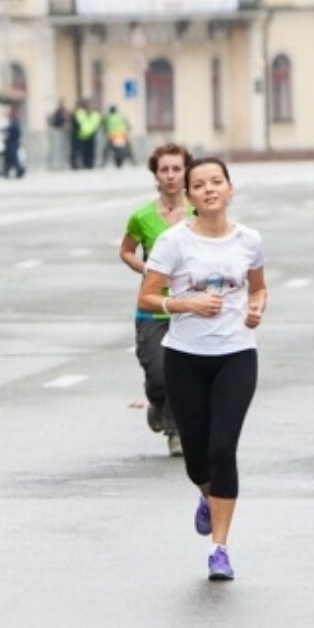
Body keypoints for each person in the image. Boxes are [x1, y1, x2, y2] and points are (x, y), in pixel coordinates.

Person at [137, 157, 267, 581]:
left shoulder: (249, 240)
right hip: (185, 357)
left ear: (230, 189)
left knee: (222, 449)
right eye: (200, 184)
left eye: (217, 182)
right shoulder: (174, 243)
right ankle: (205, 496)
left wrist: (256, 308)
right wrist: (185, 303)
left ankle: (220, 549)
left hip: (236, 355)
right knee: (196, 459)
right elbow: (147, 298)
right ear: (190, 197)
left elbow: (259, 287)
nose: (209, 189)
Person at [119, 143, 194, 457]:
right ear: (156, 174)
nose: (171, 175)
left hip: (189, 307)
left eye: (177, 169)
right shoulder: (142, 216)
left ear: (186, 171)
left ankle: (176, 433)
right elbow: (126, 251)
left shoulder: (198, 211)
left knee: (182, 375)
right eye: (164, 170)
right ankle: (156, 402)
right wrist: (147, 267)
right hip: (152, 309)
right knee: (159, 377)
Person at [2, 110, 26, 179]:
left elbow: (14, 133)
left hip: (12, 144)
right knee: (10, 159)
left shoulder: (14, 124)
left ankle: (19, 171)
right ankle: (7, 172)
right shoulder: (13, 123)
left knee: (13, 159)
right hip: (10, 144)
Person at [47, 99, 68, 171]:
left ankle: (62, 163)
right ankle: (55, 164)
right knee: (56, 148)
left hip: (63, 133)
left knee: (63, 149)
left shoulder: (65, 111)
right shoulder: (57, 112)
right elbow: (54, 121)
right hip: (57, 132)